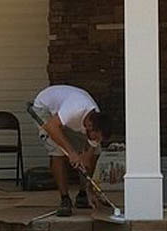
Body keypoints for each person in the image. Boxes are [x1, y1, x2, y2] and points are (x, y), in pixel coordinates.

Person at [29, 84, 112, 216]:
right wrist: (72, 153)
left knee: (95, 152)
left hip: (65, 112)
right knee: (59, 151)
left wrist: (86, 158)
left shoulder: (96, 118)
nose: (96, 139)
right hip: (44, 108)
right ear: (89, 126)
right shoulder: (75, 110)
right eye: (95, 136)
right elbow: (52, 127)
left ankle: (84, 194)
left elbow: (91, 150)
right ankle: (65, 199)